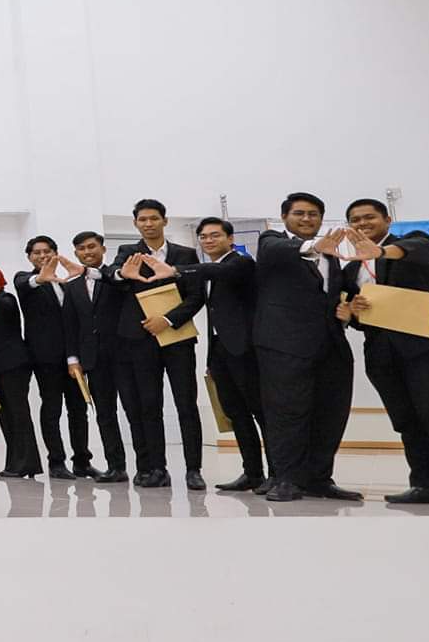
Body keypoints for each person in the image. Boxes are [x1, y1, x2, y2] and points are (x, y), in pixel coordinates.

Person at [340, 199, 429, 509]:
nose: (363, 224)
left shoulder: (413, 242)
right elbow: (357, 316)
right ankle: (424, 484)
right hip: (381, 354)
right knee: (406, 421)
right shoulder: (352, 268)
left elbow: (418, 250)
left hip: (423, 349)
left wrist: (381, 252)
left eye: (369, 217)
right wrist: (353, 311)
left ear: (387, 219)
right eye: (356, 220)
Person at [254, 193, 360, 503]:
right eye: (299, 213)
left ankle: (319, 479)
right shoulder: (272, 242)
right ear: (284, 217)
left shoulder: (333, 256)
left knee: (330, 414)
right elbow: (273, 250)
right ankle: (286, 479)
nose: (306, 219)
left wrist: (353, 309)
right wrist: (313, 246)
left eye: (313, 214)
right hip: (284, 347)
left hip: (330, 347)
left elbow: (343, 294)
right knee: (287, 415)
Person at [110, 199, 206, 490]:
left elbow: (196, 296)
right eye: (143, 219)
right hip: (140, 341)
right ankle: (157, 468)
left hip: (177, 338)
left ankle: (193, 470)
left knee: (186, 404)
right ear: (135, 223)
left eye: (154, 218)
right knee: (149, 406)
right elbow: (112, 275)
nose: (148, 224)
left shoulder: (185, 254)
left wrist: (167, 319)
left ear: (165, 220)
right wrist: (121, 274)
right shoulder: (128, 252)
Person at [172, 218, 266, 492]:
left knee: (261, 413)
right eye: (203, 237)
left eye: (215, 235)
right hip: (220, 352)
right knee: (236, 413)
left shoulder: (241, 262)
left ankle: (277, 473)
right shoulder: (211, 270)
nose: (209, 240)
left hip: (245, 351)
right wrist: (211, 359)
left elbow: (222, 272)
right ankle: (252, 473)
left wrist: (176, 270)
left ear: (230, 238)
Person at [14, 236, 94, 479]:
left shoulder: (68, 283)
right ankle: (56, 461)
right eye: (36, 253)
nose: (42, 256)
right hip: (45, 358)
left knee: (78, 409)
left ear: (56, 253)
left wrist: (76, 355)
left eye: (47, 251)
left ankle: (82, 461)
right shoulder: (25, 280)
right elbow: (25, 283)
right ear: (29, 257)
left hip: (73, 358)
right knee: (52, 409)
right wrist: (41, 278)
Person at [61, 231, 130, 483]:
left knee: (136, 411)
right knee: (105, 413)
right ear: (76, 253)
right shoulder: (72, 286)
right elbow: (70, 325)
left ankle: (148, 466)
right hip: (93, 360)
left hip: (124, 355)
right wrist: (72, 359)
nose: (87, 252)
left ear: (103, 248)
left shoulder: (116, 275)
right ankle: (116, 467)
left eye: (91, 247)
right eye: (81, 249)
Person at [0, 263, 40, 479]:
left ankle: (27, 462)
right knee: (5, 415)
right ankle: (14, 462)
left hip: (14, 366)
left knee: (18, 413)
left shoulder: (6, 299)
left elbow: (5, 308)